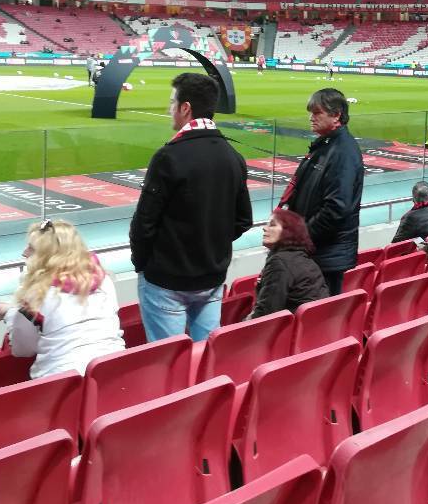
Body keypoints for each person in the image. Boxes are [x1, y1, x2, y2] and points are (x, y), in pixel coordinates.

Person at [130, 72, 253, 342]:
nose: (168, 109)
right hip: (211, 278)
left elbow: (144, 223)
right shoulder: (234, 157)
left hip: (167, 280)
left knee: (168, 363)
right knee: (204, 359)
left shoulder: (168, 157)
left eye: (172, 102)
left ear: (186, 108)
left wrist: (143, 264)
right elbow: (243, 220)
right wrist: (211, 243)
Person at [0, 219, 124, 378]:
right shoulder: (104, 281)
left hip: (64, 384)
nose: (24, 252)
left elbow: (23, 349)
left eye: (32, 249)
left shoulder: (36, 294)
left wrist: (11, 314)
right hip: (113, 373)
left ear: (48, 257)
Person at [280, 88, 364, 296]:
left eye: (317, 113)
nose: (311, 118)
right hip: (320, 252)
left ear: (336, 115)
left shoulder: (342, 152)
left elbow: (335, 209)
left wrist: (300, 237)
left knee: (315, 318)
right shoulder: (328, 146)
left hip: (324, 256)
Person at [249, 209, 329, 318]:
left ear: (287, 232)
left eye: (272, 225)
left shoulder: (279, 262)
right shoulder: (303, 258)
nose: (264, 228)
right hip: (315, 325)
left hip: (294, 329)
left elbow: (266, 312)